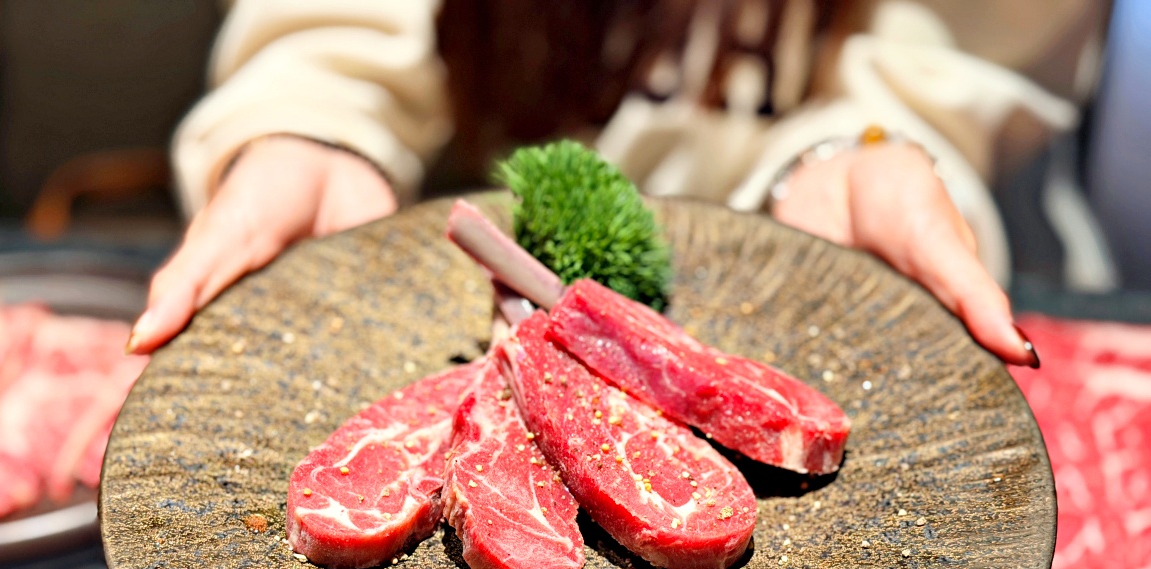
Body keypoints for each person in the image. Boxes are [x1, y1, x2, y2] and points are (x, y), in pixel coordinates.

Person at [125, 0, 1106, 366]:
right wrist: (317, 125)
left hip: (797, 266)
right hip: (477, 272)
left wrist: (860, 151)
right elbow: (340, 33)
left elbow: (954, 57)